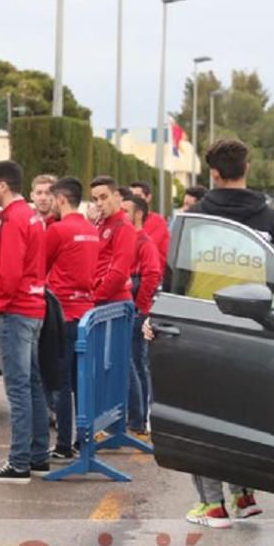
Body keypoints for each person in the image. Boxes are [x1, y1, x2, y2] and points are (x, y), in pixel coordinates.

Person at [182, 138, 274, 528]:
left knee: (201, 419)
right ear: (247, 168)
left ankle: (213, 506)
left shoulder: (196, 217)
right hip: (253, 330)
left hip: (202, 328)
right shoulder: (268, 217)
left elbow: (179, 279)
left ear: (214, 174)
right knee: (242, 415)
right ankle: (244, 494)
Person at [0, 160, 50, 484]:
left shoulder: (14, 219)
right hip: (32, 308)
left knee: (19, 388)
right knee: (32, 385)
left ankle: (19, 462)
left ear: (3, 186)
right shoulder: (32, 216)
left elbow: (9, 271)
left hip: (16, 311)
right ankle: (36, 456)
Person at [44, 177, 100, 461]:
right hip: (87, 313)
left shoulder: (57, 230)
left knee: (61, 383)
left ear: (61, 199)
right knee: (82, 382)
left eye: (52, 198)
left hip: (63, 312)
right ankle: (82, 440)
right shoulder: (92, 231)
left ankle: (64, 444)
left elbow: (40, 264)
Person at [122, 194, 162, 436]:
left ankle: (137, 420)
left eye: (125, 210)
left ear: (138, 214)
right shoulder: (130, 239)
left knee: (135, 364)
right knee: (133, 364)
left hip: (136, 312)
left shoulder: (143, 242)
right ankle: (135, 418)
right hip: (133, 308)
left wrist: (139, 306)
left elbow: (152, 275)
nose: (121, 214)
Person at [90, 176, 135, 305]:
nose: (99, 203)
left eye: (104, 197)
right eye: (95, 199)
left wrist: (95, 297)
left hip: (113, 301)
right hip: (102, 298)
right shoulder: (100, 223)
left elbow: (119, 273)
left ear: (116, 196)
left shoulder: (124, 227)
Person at [129, 181, 170, 269]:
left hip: (151, 275)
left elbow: (141, 249)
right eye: (130, 197)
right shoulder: (128, 221)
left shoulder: (158, 222)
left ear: (148, 198)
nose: (133, 200)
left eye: (137, 196)